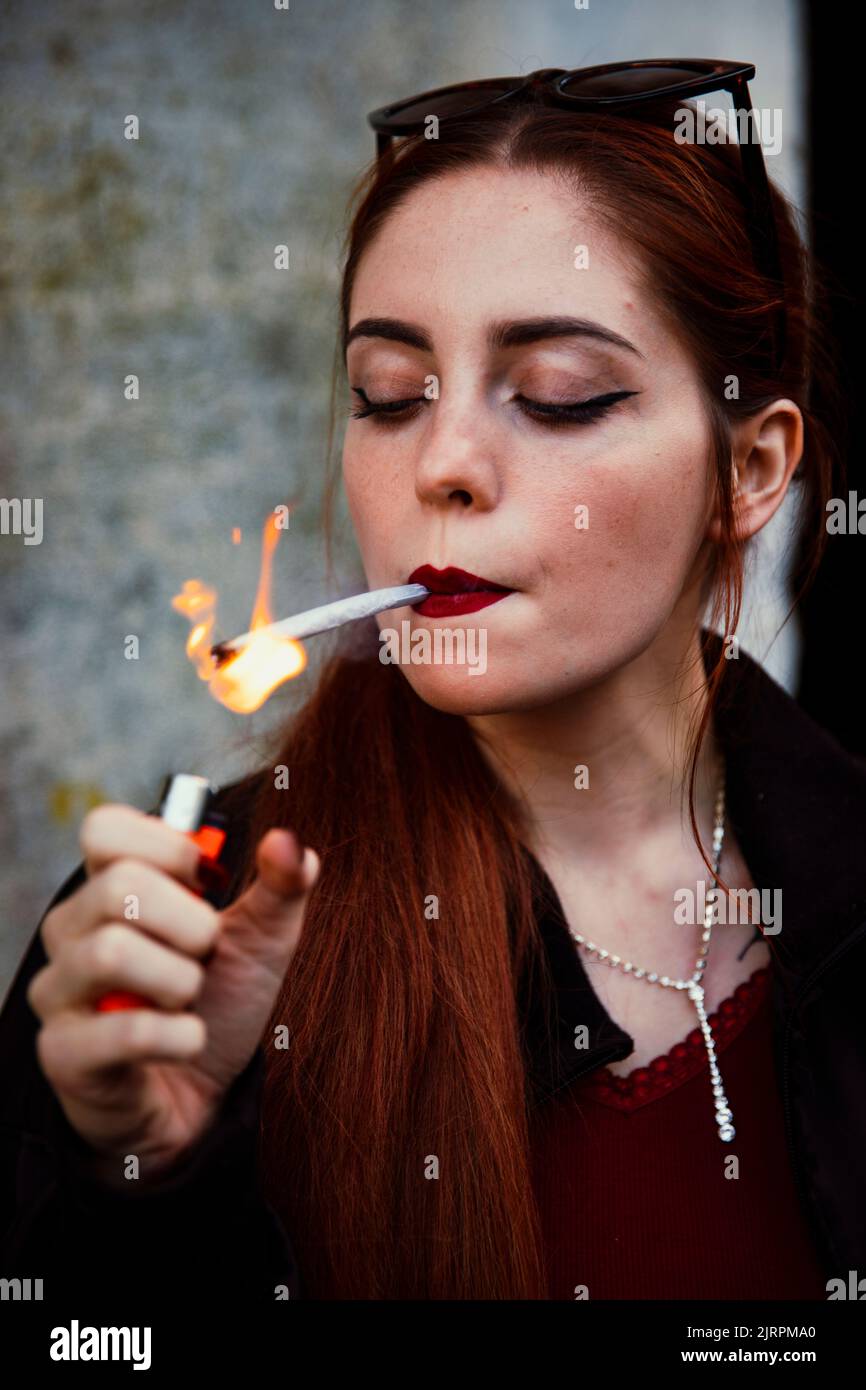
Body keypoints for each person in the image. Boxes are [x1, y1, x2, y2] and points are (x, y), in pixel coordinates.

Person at [2, 63, 865, 1304]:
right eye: (388, 396)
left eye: (559, 397)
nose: (443, 465)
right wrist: (143, 1177)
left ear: (750, 468)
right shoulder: (186, 942)